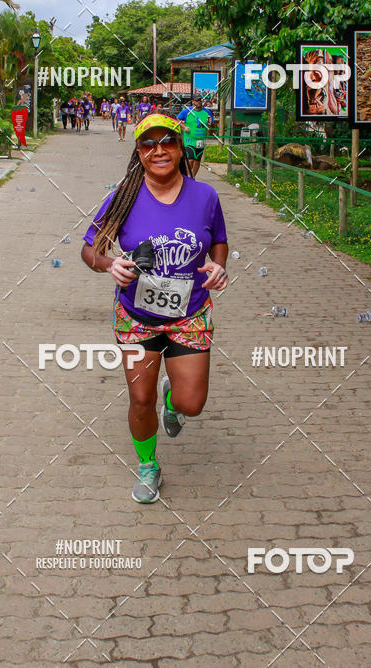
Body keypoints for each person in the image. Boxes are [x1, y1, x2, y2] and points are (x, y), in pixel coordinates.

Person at [81, 113, 228, 503]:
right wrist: (108, 264)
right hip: (137, 317)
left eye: (167, 142)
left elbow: (219, 241)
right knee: (139, 400)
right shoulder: (123, 197)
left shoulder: (205, 197)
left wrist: (218, 266)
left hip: (190, 314)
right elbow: (89, 248)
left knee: (191, 404)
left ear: (180, 149)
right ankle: (148, 466)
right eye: (148, 144)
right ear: (139, 152)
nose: (158, 150)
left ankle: (172, 399)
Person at [177, 95, 213, 178]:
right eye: (197, 100)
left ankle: (192, 178)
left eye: (200, 100)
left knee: (197, 161)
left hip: (201, 140)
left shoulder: (207, 112)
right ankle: (185, 177)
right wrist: (184, 127)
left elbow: (210, 123)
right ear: (193, 101)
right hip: (189, 139)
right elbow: (177, 119)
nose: (199, 102)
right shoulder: (186, 111)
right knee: (190, 159)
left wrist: (210, 122)